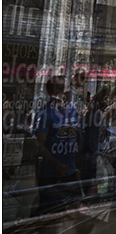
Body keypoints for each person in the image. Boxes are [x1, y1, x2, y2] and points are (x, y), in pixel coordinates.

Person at [33, 75, 81, 217]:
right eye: (62, 89)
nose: (67, 92)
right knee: (49, 214)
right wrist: (56, 165)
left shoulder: (72, 111)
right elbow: (39, 145)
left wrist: (74, 165)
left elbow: (72, 141)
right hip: (51, 174)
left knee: (73, 211)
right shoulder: (45, 113)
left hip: (69, 173)